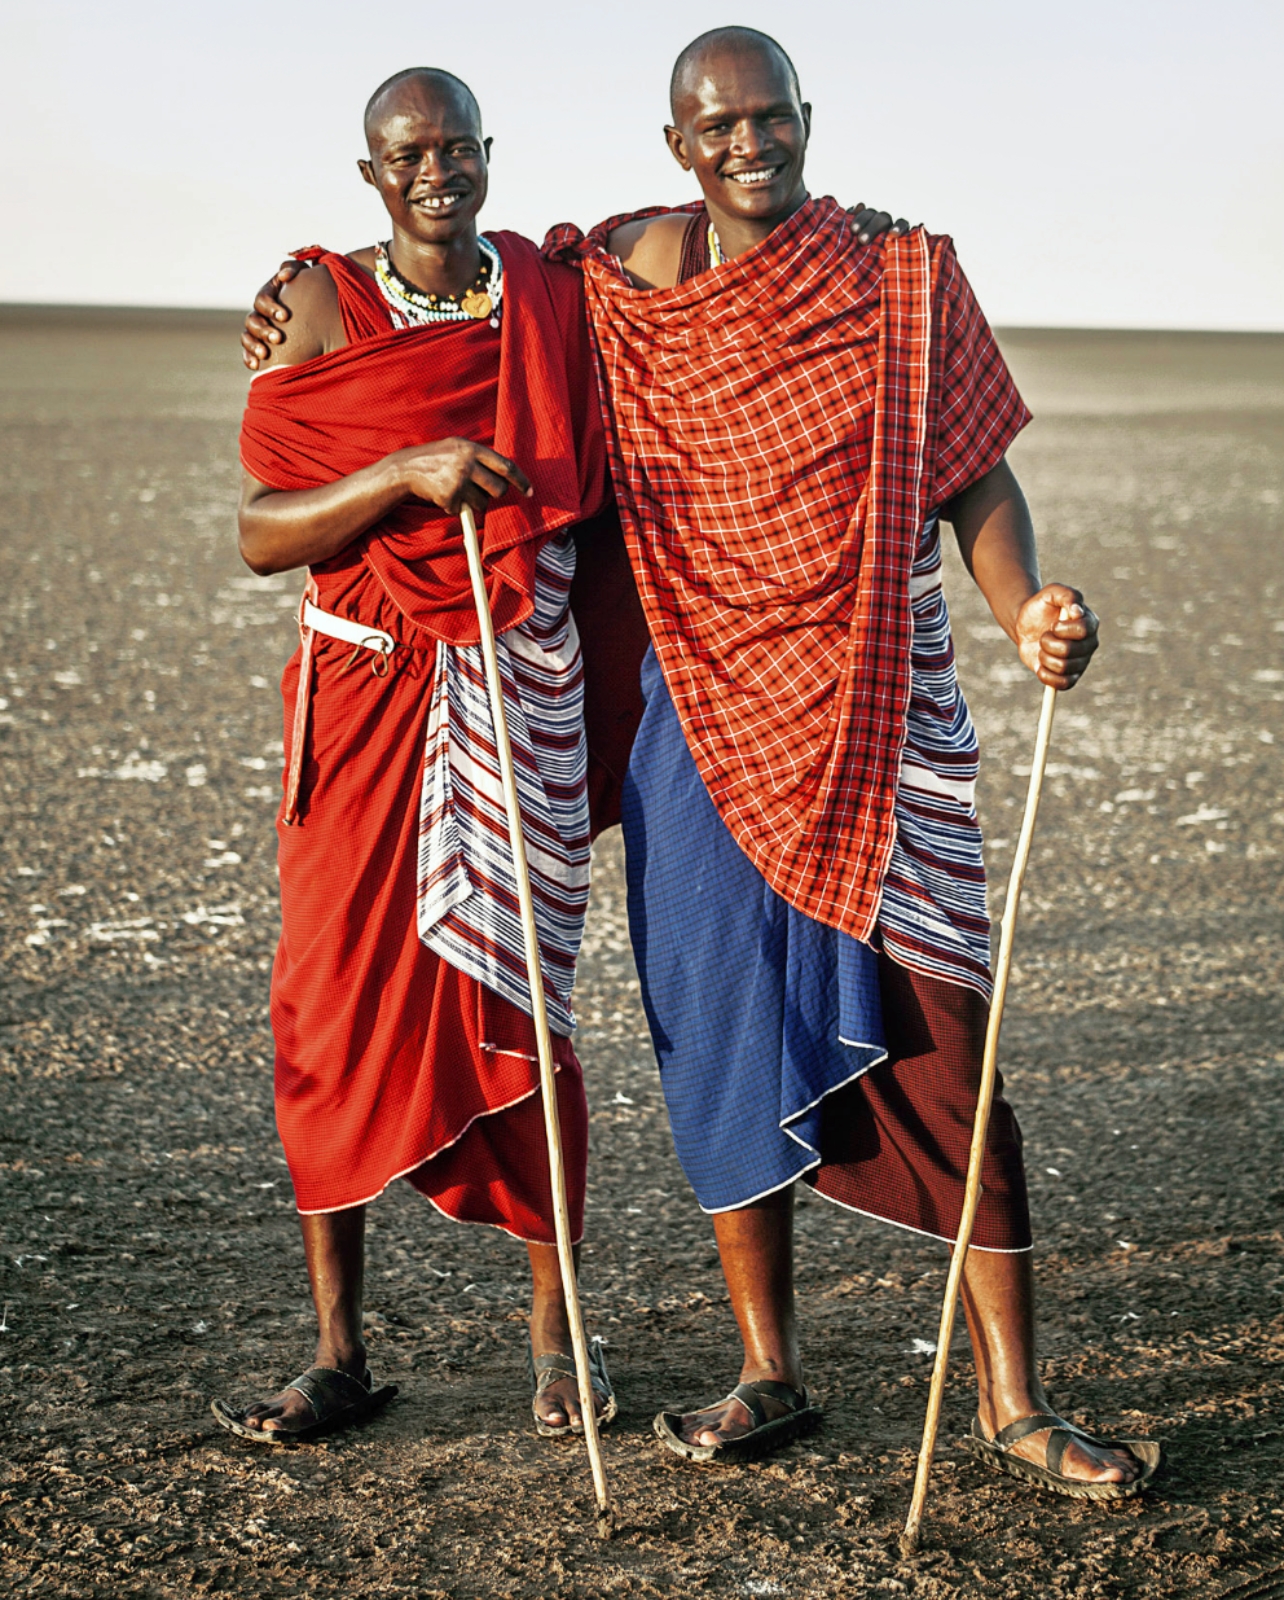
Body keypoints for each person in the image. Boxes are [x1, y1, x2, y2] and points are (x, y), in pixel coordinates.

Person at [537, 26, 1157, 1497]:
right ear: (678, 144)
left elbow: (976, 471)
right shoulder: (611, 286)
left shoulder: (896, 276)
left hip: (878, 702)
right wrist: (293, 291)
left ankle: (1011, 1401)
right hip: (694, 707)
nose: (750, 145)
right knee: (715, 1024)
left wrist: (1025, 612)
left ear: (807, 120)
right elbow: (467, 295)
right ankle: (770, 1368)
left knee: (950, 1034)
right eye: (718, 127)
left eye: (771, 119)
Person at [211, 66, 623, 1444]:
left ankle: (559, 1336)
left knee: (523, 997)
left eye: (454, 147)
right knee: (324, 1011)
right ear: (371, 173)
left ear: (487, 155)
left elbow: (686, 246)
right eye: (406, 154)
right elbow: (266, 528)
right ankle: (336, 1349)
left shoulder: (549, 293)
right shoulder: (320, 300)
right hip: (367, 697)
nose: (433, 171)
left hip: (516, 686)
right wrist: (401, 473)